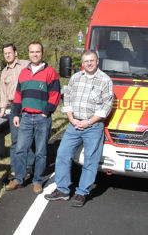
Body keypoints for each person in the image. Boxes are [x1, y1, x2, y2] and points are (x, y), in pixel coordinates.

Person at [45, 49, 114, 207]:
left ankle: (82, 192)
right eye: (86, 61)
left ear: (97, 62)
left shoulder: (105, 80)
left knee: (90, 160)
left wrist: (88, 122)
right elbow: (67, 99)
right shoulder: (76, 78)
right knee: (62, 154)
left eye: (92, 60)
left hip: (93, 127)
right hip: (74, 125)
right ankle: (62, 190)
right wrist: (71, 119)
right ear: (82, 64)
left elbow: (106, 107)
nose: (89, 63)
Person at [6, 42, 60, 194]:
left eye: (37, 52)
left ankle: (37, 181)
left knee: (41, 151)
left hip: (42, 118)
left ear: (42, 53)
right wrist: (15, 114)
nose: (34, 54)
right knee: (20, 149)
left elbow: (55, 95)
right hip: (26, 117)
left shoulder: (50, 72)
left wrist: (47, 112)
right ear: (28, 53)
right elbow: (18, 96)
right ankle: (19, 178)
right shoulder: (24, 72)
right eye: (32, 52)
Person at [0, 44, 34, 181]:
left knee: (28, 139)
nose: (7, 55)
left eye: (9, 52)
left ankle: (28, 167)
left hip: (28, 105)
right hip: (14, 107)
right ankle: (14, 168)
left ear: (15, 53)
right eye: (5, 53)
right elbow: (3, 93)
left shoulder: (26, 64)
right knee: (15, 140)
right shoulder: (4, 72)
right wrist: (1, 111)